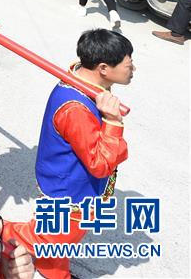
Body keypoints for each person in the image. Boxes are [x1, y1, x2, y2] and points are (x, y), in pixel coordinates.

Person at [8, 30, 131, 279]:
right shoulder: (76, 108)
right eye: (129, 64)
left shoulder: (79, 75)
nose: (133, 69)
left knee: (61, 242)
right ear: (104, 68)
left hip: (68, 178)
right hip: (70, 191)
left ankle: (55, 274)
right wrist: (113, 122)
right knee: (47, 238)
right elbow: (99, 163)